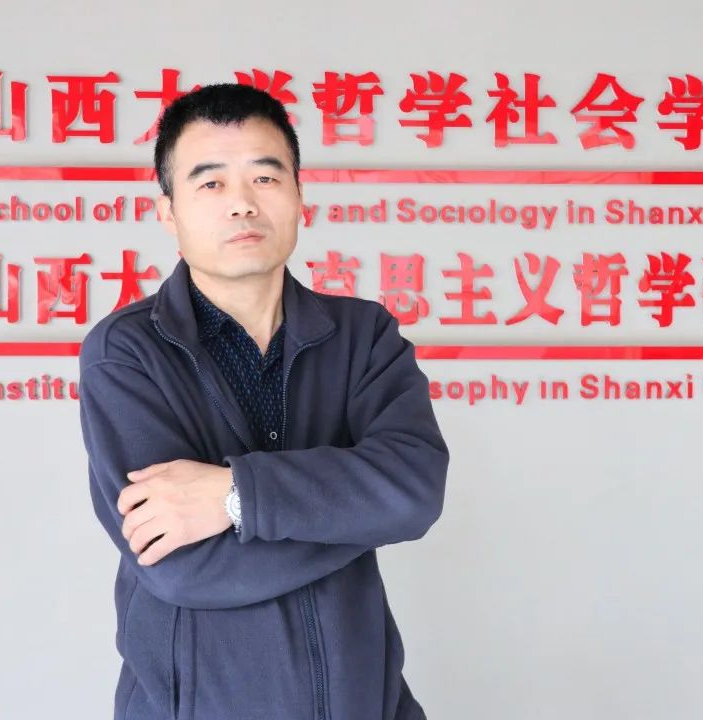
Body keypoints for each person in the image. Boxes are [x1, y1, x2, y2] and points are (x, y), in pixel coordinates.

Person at [78, 83, 449, 720]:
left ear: (300, 196)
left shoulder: (363, 335)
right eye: (211, 182)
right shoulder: (127, 351)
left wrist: (235, 496)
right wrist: (354, 511)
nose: (242, 203)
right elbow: (181, 567)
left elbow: (415, 490)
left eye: (265, 178)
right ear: (168, 212)